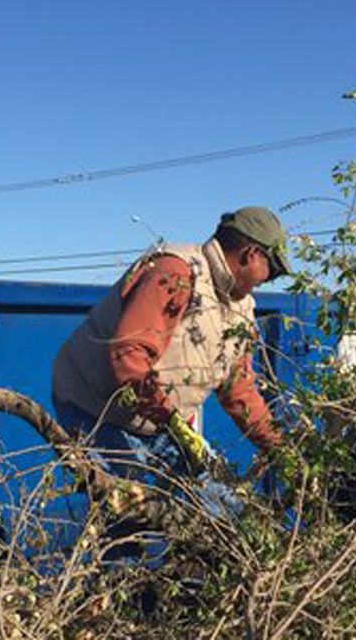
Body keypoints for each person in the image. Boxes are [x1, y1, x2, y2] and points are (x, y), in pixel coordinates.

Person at [51, 206, 289, 514]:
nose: (270, 280)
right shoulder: (175, 273)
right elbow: (129, 354)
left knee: (225, 511)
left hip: (160, 419)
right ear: (251, 254)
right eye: (272, 269)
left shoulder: (241, 309)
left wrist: (282, 450)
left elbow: (239, 391)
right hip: (95, 411)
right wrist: (172, 422)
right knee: (135, 516)